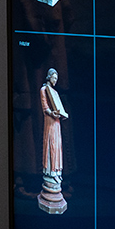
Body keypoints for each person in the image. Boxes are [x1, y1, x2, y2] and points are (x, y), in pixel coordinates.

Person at [38, 68, 68, 214]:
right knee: (51, 146)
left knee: (58, 146)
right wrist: (53, 113)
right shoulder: (44, 89)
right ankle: (50, 174)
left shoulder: (55, 92)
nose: (55, 80)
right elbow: (45, 107)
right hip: (50, 122)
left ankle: (56, 172)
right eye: (53, 78)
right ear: (49, 77)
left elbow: (59, 108)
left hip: (57, 123)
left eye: (57, 78)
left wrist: (60, 114)